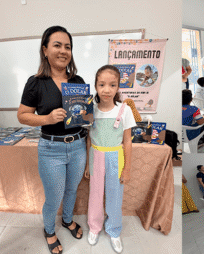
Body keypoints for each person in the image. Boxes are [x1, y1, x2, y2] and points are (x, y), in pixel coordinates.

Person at [17, 26, 88, 254]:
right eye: (57, 45)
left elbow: (84, 116)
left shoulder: (77, 80)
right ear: (45, 49)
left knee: (71, 190)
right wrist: (46, 118)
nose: (63, 50)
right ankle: (49, 230)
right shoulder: (36, 82)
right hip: (51, 149)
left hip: (78, 145)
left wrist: (89, 112)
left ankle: (67, 220)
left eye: (67, 46)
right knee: (54, 195)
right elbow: (22, 115)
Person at [80, 65, 135, 252]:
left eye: (112, 85)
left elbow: (127, 141)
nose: (106, 89)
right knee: (95, 194)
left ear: (118, 86)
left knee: (115, 195)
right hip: (95, 155)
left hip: (116, 157)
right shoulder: (90, 110)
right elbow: (88, 138)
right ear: (95, 86)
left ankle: (114, 230)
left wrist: (127, 168)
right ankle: (94, 227)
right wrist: (88, 163)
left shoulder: (124, 110)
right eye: (102, 84)